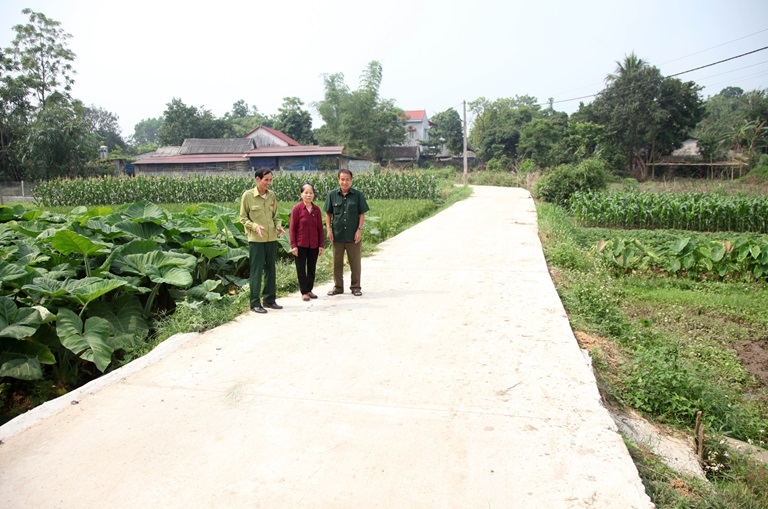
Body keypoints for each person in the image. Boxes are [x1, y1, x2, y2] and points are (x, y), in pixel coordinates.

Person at [239, 167, 285, 314]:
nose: (269, 183)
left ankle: (269, 299)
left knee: (271, 269)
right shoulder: (248, 196)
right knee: (257, 271)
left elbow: (276, 216)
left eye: (271, 180)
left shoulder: (272, 196)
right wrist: (254, 226)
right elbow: (243, 218)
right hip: (256, 240)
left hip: (271, 238)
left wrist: (278, 226)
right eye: (266, 180)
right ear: (257, 179)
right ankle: (254, 303)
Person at [324, 169, 369, 296]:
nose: (345, 182)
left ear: (351, 180)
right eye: (342, 179)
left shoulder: (357, 195)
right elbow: (328, 214)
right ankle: (338, 287)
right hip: (337, 235)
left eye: (347, 179)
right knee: (337, 263)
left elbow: (361, 214)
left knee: (355, 263)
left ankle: (355, 287)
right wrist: (328, 230)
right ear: (338, 180)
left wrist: (359, 230)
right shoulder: (332, 195)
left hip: (353, 235)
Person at [290, 183, 325, 301]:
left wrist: (321, 245)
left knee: (311, 268)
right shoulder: (297, 209)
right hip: (300, 244)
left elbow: (320, 228)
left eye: (311, 192)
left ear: (313, 195)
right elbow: (292, 228)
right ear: (301, 194)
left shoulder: (317, 210)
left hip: (314, 245)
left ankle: (309, 290)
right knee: (301, 268)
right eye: (306, 192)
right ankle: (303, 292)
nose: (308, 195)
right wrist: (293, 245)